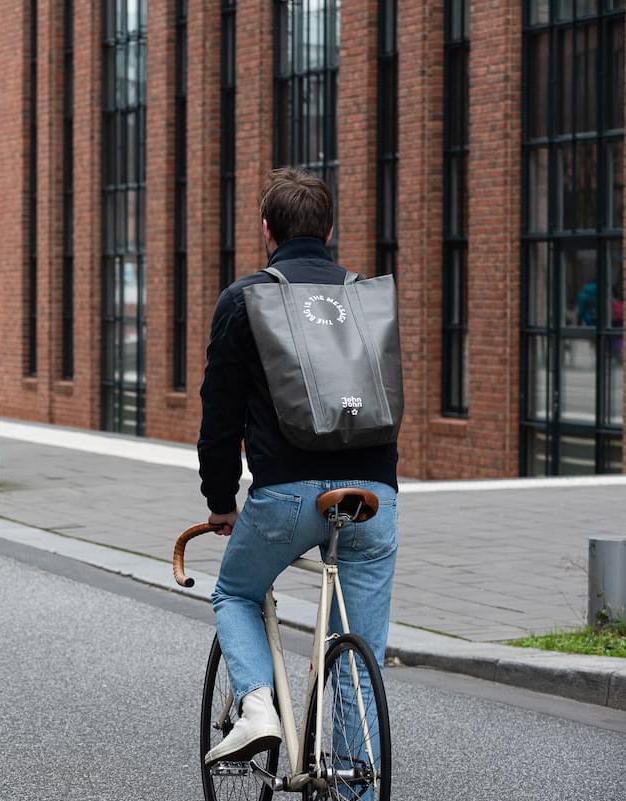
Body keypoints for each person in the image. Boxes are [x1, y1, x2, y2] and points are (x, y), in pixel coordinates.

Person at [198, 167, 400, 766]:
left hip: (286, 494)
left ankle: (258, 708)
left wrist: (219, 502)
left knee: (234, 592)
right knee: (357, 654)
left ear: (266, 231)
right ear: (330, 229)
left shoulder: (245, 300)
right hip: (372, 495)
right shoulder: (364, 300)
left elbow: (220, 416)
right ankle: (353, 781)